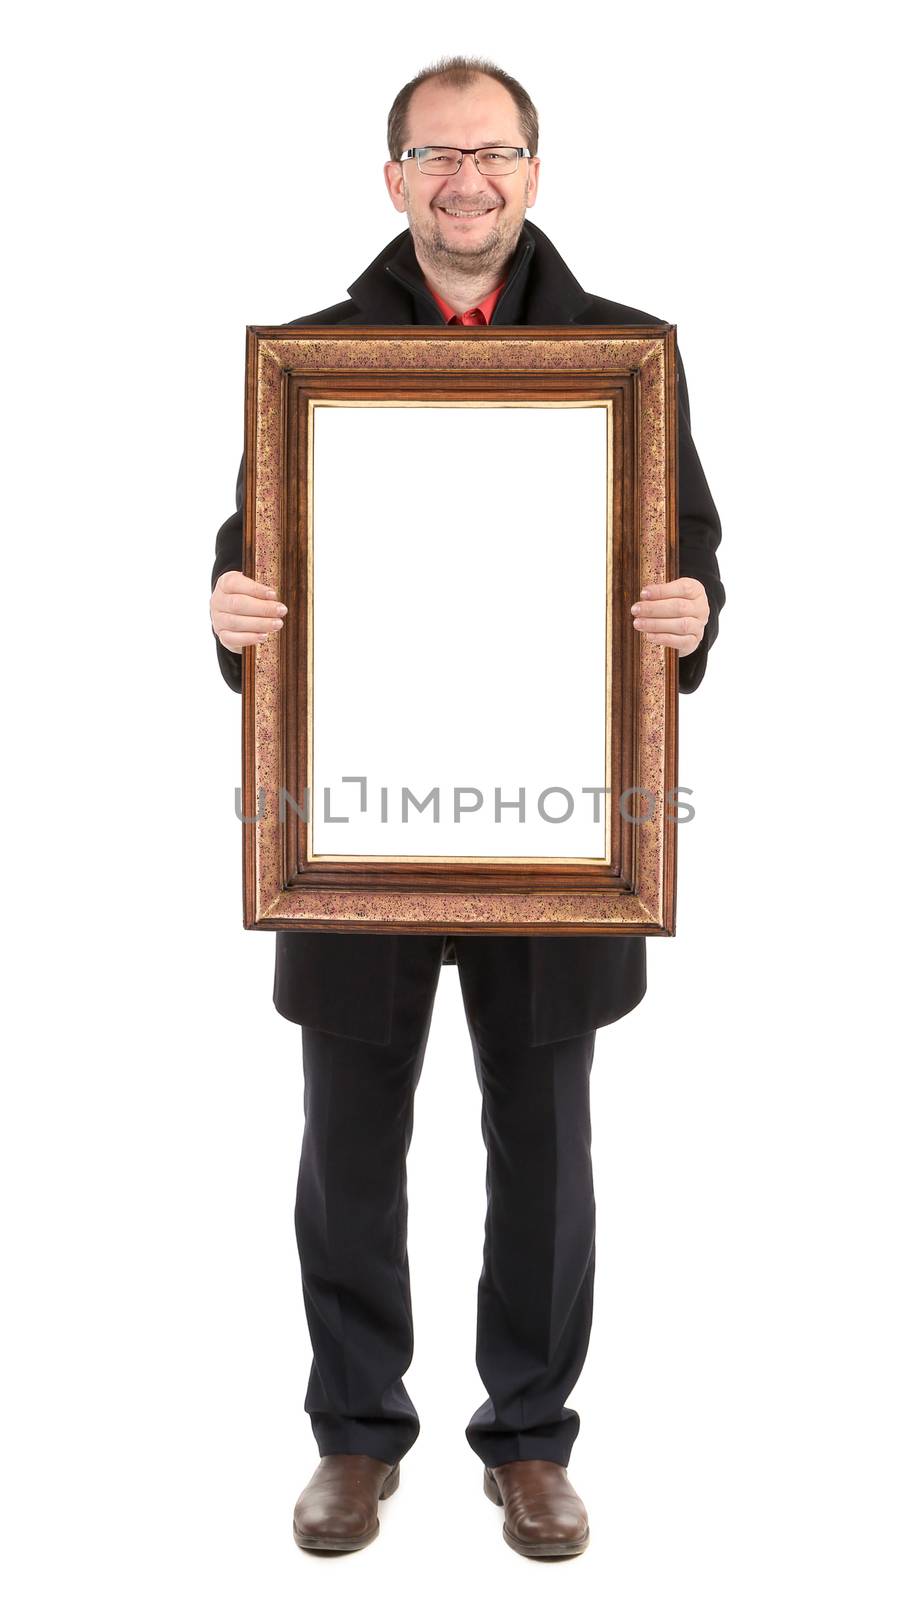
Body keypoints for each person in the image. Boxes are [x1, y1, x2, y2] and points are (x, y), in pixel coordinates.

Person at [210, 55, 725, 1560]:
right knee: (348, 1151)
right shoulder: (308, 360)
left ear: (532, 174)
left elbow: (687, 547)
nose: (464, 182)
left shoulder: (626, 355)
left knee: (544, 1152)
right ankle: (357, 1436)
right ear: (393, 180)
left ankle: (528, 1439)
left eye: (491, 154)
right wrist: (227, 606)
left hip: (560, 822)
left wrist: (695, 609)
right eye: (435, 158)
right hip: (356, 822)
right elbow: (255, 553)